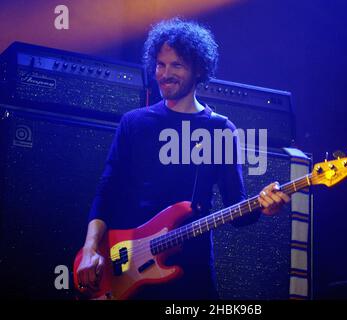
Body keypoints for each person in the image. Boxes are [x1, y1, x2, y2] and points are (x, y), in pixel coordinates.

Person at [76, 17, 290, 299]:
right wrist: (90, 248)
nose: (165, 73)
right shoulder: (134, 123)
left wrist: (264, 207)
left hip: (192, 273)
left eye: (176, 65)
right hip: (127, 266)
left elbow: (236, 210)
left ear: (199, 69)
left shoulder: (220, 130)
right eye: (160, 65)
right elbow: (107, 191)